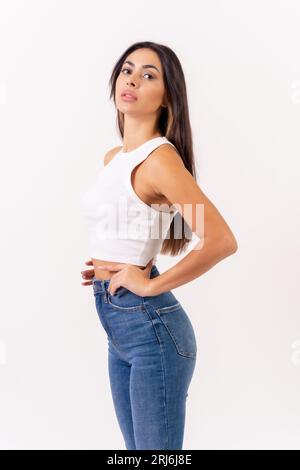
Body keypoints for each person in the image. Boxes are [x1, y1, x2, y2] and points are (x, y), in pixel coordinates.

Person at [80, 41, 238, 450]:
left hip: (150, 326)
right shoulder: (115, 157)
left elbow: (221, 240)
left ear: (167, 97)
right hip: (119, 324)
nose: (131, 79)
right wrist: (104, 262)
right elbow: (131, 221)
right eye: (127, 69)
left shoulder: (159, 160)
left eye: (149, 75)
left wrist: (151, 283)